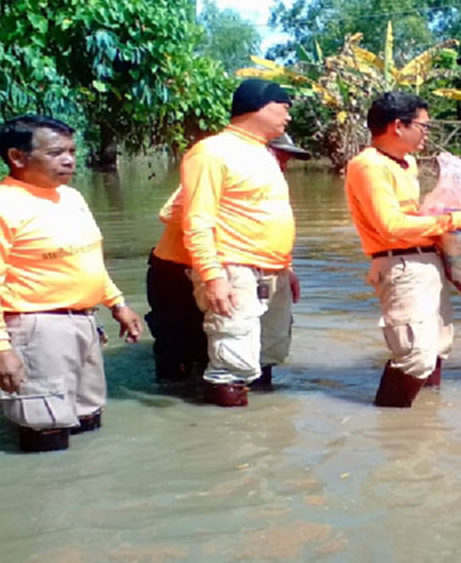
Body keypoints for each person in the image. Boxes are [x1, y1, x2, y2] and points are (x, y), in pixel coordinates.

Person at [344, 92, 461, 408]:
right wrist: (457, 219)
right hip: (400, 263)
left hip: (425, 260)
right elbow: (391, 226)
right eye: (422, 125)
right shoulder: (369, 165)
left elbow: (413, 217)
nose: (427, 132)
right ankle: (393, 426)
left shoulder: (406, 163)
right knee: (414, 354)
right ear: (398, 126)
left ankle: (424, 421)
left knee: (438, 346)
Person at [0, 115, 143, 452]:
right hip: (37, 329)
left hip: (84, 323)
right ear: (17, 157)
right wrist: (3, 350)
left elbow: (86, 259)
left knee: (89, 421)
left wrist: (118, 303)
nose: (68, 160)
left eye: (72, 151)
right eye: (55, 153)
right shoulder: (6, 205)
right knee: (45, 432)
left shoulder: (70, 197)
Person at [146, 133, 309, 387]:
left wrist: (285, 267)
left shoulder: (265, 188)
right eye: (279, 159)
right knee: (179, 359)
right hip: (177, 272)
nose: (281, 168)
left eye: (285, 163)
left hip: (233, 271)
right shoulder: (218, 173)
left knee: (250, 351)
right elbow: (172, 214)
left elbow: (266, 229)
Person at [179, 78, 298, 407]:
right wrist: (213, 276)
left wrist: (287, 269)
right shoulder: (211, 152)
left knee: (267, 352)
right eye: (284, 107)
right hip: (234, 268)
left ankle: (266, 431)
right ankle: (234, 443)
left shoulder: (263, 153)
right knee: (233, 363)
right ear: (258, 105)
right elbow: (197, 220)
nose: (288, 116)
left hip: (273, 271)